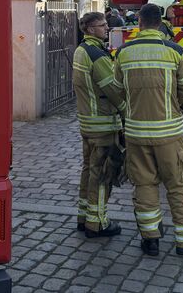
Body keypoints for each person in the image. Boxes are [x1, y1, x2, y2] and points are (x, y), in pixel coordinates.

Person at [114, 4, 183, 257]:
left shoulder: (123, 53)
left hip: (135, 132)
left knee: (144, 184)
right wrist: (171, 105)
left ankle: (150, 239)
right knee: (177, 185)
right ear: (161, 22)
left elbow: (117, 89)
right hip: (169, 133)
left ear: (140, 23)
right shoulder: (176, 52)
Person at [72, 12, 127, 237]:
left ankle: (84, 217)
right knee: (103, 175)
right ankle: (98, 223)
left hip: (87, 123)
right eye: (102, 25)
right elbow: (113, 89)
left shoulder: (81, 50)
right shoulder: (97, 55)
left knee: (88, 171)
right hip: (103, 125)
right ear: (90, 28)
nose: (107, 28)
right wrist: (127, 111)